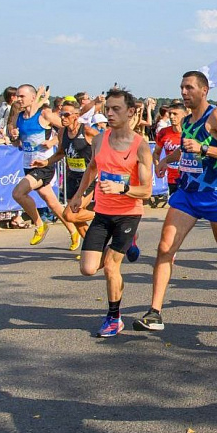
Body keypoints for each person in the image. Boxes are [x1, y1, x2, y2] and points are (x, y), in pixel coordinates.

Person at [134, 71, 217, 332]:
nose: (184, 92)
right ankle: (154, 312)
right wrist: (166, 160)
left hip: (214, 194)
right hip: (187, 194)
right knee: (165, 248)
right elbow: (185, 147)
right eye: (182, 87)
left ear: (204, 90)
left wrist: (204, 149)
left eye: (189, 87)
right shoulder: (187, 120)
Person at [69, 88, 154, 337]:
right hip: (102, 212)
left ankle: (114, 317)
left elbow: (147, 191)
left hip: (128, 213)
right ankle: (129, 244)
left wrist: (123, 188)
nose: (110, 113)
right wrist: (78, 195)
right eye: (107, 109)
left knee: (110, 266)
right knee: (87, 268)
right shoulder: (99, 139)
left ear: (131, 112)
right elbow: (92, 168)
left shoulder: (140, 147)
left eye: (116, 109)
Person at [8, 84, 79, 247]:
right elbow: (16, 143)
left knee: (18, 193)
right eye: (17, 96)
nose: (18, 99)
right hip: (28, 164)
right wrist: (14, 137)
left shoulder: (44, 114)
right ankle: (73, 231)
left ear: (33, 98)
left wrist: (53, 141)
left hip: (44, 165)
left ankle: (40, 225)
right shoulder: (18, 117)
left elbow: (69, 127)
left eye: (22, 96)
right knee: (52, 202)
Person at [31, 100, 99, 250]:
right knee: (77, 219)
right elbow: (61, 153)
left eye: (66, 115)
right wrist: (45, 162)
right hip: (72, 177)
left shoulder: (88, 131)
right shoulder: (62, 132)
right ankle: (93, 249)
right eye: (61, 114)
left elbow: (106, 146)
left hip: (87, 178)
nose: (62, 117)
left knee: (70, 215)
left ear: (76, 116)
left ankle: (104, 215)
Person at [153, 102, 186, 195]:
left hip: (187, 177)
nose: (171, 117)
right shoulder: (163, 132)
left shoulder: (190, 133)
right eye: (170, 113)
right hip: (172, 178)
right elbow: (156, 152)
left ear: (184, 115)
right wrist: (157, 166)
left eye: (175, 114)